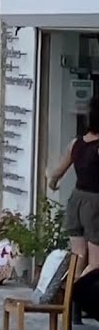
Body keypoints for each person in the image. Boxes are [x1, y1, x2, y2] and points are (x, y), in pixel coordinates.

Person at [49, 108, 99, 276]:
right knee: (95, 263)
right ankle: (80, 294)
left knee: (78, 255)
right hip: (95, 204)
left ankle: (70, 297)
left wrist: (52, 183)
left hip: (75, 200)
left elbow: (57, 173)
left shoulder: (75, 144)